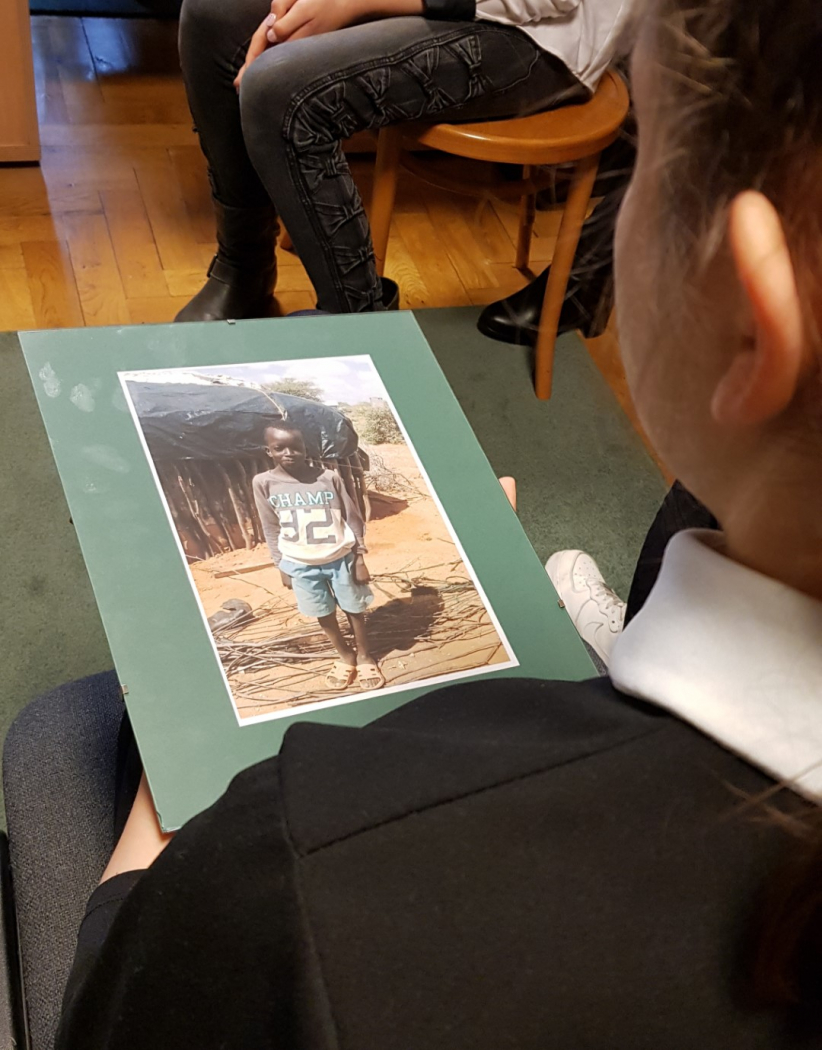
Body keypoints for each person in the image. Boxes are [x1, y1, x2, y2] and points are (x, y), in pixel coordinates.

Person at [56, 0, 822, 1045]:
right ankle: (609, 657)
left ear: (752, 316)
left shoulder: (292, 867)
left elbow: (113, 1001)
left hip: (220, 910)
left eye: (641, 154)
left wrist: (165, 799)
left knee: (74, 735)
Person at [173, 0, 631, 322]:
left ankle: (358, 320)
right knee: (214, 13)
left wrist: (353, 3)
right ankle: (243, 267)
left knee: (279, 90)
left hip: (538, 32)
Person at [252, 421, 384, 689]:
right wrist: (281, 565)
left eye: (296, 447)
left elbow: (352, 517)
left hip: (340, 558)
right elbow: (270, 527)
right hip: (299, 563)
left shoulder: (327, 478)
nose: (289, 453)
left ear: (305, 448)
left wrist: (359, 557)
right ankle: (345, 656)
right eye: (280, 448)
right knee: (322, 611)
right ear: (268, 451)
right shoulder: (263, 483)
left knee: (354, 608)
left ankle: (364, 655)